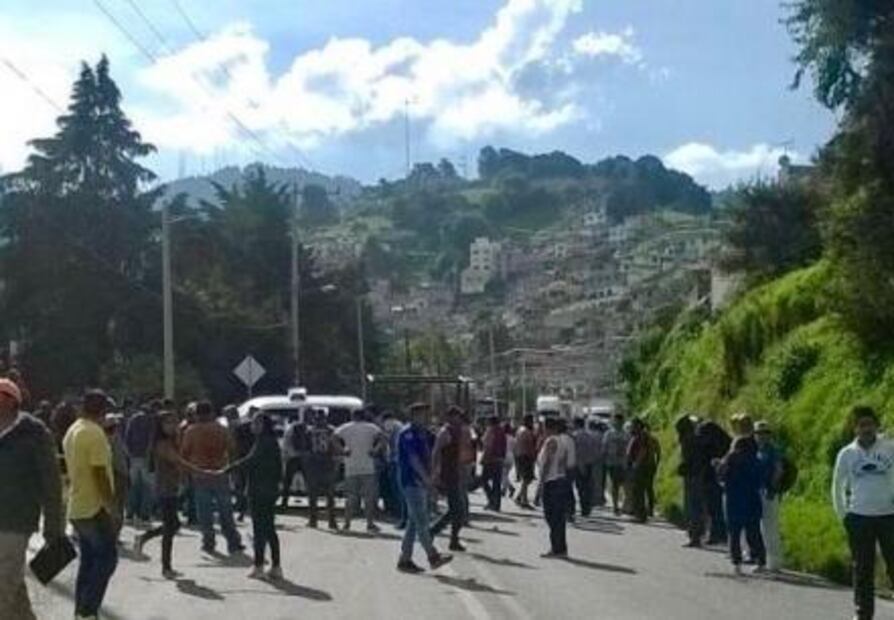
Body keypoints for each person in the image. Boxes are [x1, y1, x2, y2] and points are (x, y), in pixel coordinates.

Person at [0, 378, 64, 620]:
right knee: (13, 592)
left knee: (2, 587)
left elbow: (51, 484)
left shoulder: (34, 434)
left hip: (15, 522)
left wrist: (53, 528)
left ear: (10, 401)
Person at [832, 406, 894, 620]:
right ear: (855, 428)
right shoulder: (847, 454)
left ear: (876, 425)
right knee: (863, 568)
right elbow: (837, 486)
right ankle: (863, 613)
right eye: (861, 425)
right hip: (859, 517)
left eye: (870, 424)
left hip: (889, 516)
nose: (866, 428)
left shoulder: (890, 448)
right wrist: (844, 516)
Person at [63, 390, 119, 620]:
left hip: (77, 505)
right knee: (107, 559)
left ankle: (81, 610)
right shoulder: (95, 434)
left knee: (88, 561)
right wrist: (111, 506)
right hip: (94, 506)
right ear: (104, 410)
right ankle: (87, 610)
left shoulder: (73, 430)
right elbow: (99, 474)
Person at [136, 411, 208, 578]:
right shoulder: (162, 444)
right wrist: (200, 471)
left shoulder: (171, 441)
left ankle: (144, 538)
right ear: (160, 426)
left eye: (173, 422)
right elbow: (178, 461)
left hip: (172, 488)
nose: (171, 426)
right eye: (167, 423)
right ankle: (166, 567)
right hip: (164, 489)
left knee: (173, 525)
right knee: (170, 528)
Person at [224, 412, 284, 580]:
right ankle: (276, 566)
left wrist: (230, 468)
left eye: (257, 423)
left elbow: (250, 461)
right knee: (269, 528)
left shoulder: (263, 442)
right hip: (269, 489)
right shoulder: (271, 442)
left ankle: (258, 566)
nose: (253, 426)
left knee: (260, 529)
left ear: (264, 425)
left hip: (259, 490)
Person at [181, 401, 244, 554]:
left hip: (200, 474)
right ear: (211, 413)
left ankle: (208, 542)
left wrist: (185, 474)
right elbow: (232, 450)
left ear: (197, 414)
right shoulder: (221, 430)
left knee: (204, 512)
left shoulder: (191, 431)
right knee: (225, 511)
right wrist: (232, 470)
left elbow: (184, 454)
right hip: (220, 473)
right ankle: (233, 541)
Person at [396, 403, 452, 573]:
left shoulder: (424, 434)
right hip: (411, 481)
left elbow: (432, 454)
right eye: (423, 415)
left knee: (414, 522)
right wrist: (428, 481)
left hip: (421, 482)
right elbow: (414, 460)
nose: (427, 418)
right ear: (413, 416)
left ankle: (405, 559)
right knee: (421, 521)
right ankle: (433, 556)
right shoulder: (407, 434)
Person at [718, 435, 766, 576]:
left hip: (734, 500)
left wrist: (718, 465)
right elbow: (761, 481)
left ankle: (737, 563)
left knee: (734, 533)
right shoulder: (756, 461)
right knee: (754, 533)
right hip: (752, 500)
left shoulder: (730, 459)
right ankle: (760, 561)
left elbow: (721, 476)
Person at [336, 409, 385, 532]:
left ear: (353, 416)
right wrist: (375, 450)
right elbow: (383, 439)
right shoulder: (372, 427)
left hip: (351, 466)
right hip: (367, 466)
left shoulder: (345, 427)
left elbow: (333, 438)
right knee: (369, 498)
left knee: (351, 497)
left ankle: (347, 523)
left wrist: (342, 450)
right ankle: (369, 523)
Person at [430, 406, 466, 552]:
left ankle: (451, 538)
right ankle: (434, 531)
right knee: (457, 509)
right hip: (447, 474)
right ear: (451, 417)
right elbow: (436, 453)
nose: (459, 419)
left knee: (457, 510)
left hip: (454, 473)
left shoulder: (457, 431)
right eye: (457, 416)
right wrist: (435, 473)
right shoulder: (445, 432)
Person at [302, 409, 342, 530]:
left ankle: (313, 520)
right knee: (330, 494)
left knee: (313, 494)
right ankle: (332, 521)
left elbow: (305, 448)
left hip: (314, 464)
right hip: (328, 464)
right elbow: (336, 446)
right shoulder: (332, 430)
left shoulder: (309, 431)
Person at [538, 417, 571, 557]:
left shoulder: (551, 441)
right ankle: (560, 547)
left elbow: (547, 463)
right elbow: (563, 462)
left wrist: (541, 483)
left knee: (552, 516)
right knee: (558, 517)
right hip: (560, 479)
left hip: (552, 482)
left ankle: (556, 547)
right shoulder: (563, 442)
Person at [754, 420, 783, 573]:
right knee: (761, 527)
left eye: (765, 433)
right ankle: (764, 560)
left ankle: (775, 562)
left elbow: (779, 470)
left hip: (769, 492)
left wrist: (772, 487)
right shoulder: (756, 450)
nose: (762, 436)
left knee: (770, 527)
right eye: (759, 433)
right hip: (758, 491)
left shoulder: (773, 450)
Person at [696, 418, 731, 544]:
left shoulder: (717, 444)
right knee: (713, 508)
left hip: (715, 479)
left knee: (715, 508)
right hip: (713, 478)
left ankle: (717, 534)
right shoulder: (724, 442)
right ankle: (717, 534)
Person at [677, 415, 709, 548]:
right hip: (698, 475)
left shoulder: (687, 440)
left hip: (692, 476)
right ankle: (698, 534)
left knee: (693, 506)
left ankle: (695, 536)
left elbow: (688, 460)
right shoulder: (696, 439)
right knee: (697, 506)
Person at [124, 402, 156, 526]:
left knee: (133, 487)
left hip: (133, 458)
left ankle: (130, 514)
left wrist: (130, 456)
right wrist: (149, 457)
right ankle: (144, 515)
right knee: (147, 488)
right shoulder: (150, 421)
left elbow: (126, 440)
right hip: (146, 458)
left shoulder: (132, 420)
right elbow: (151, 441)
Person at [627, 418, 656, 523]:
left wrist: (636, 463)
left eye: (633, 425)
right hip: (642, 466)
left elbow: (643, 450)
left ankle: (640, 515)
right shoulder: (640, 435)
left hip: (641, 467)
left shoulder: (642, 436)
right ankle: (639, 514)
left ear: (638, 426)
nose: (631, 427)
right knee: (638, 490)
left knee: (638, 491)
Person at [572, 417, 599, 517]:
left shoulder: (574, 436)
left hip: (578, 464)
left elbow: (575, 452)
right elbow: (594, 451)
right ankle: (587, 507)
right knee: (587, 486)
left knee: (580, 487)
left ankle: (584, 507)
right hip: (589, 464)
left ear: (576, 424)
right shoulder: (589, 436)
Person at [602, 413, 629, 515]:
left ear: (622, 422)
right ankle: (615, 506)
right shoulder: (609, 434)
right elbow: (604, 447)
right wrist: (604, 460)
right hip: (612, 463)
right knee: (615, 485)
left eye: (620, 422)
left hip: (623, 463)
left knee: (625, 485)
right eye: (616, 421)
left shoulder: (626, 434)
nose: (618, 423)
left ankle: (624, 504)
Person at [481, 416, 507, 511]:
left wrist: (484, 458)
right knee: (497, 483)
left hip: (490, 459)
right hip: (499, 459)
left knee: (484, 480)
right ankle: (496, 505)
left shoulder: (490, 431)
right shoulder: (502, 431)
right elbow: (504, 446)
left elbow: (488, 446)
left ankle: (491, 500)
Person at [280, 414, 305, 511]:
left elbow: (285, 444)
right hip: (303, 457)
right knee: (309, 481)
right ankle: (313, 502)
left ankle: (284, 503)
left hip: (292, 458)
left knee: (287, 482)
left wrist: (286, 455)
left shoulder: (288, 429)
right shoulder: (304, 427)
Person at [514, 414, 537, 509]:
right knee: (526, 478)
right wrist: (533, 457)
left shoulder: (519, 430)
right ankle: (524, 500)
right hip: (526, 456)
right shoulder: (527, 432)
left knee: (526, 479)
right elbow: (529, 446)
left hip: (519, 456)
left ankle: (519, 497)